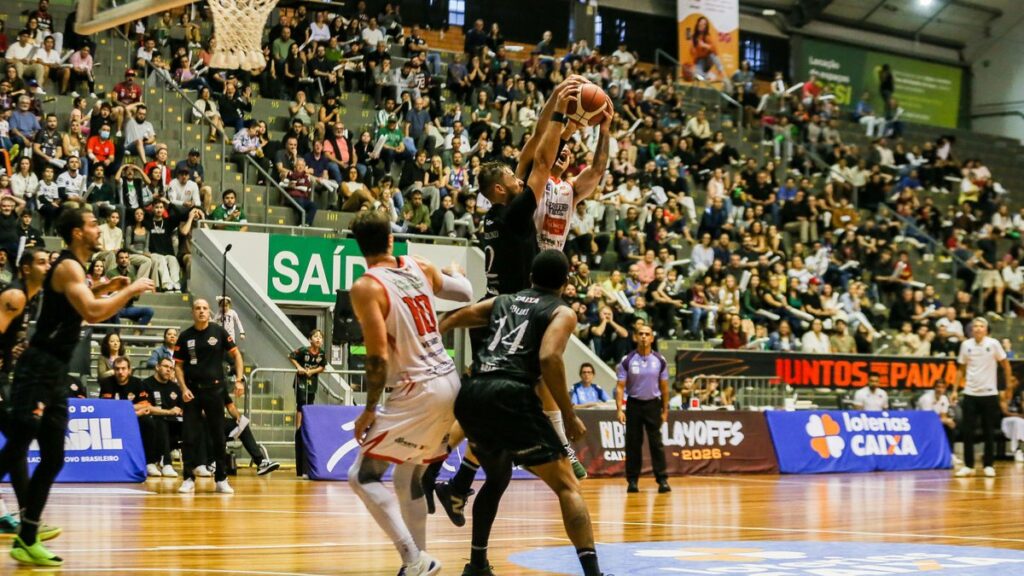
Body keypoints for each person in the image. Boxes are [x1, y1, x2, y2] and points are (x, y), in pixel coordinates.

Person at [437, 249, 606, 576]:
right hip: (511, 394)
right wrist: (569, 416)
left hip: (473, 390)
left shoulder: (504, 301)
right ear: (566, 282)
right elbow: (548, 358)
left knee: (498, 477)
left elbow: (455, 318)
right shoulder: (561, 310)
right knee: (568, 485)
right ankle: (594, 573)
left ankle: (476, 560)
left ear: (531, 277)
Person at [0, 208, 153, 566]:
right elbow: (94, 313)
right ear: (75, 232)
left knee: (53, 457)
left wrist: (106, 286)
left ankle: (26, 537)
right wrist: (128, 288)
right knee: (20, 440)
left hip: (54, 372)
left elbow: (81, 304)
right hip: (37, 367)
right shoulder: (68, 265)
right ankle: (23, 530)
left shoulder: (76, 271)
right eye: (90, 224)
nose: (97, 228)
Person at [347, 210, 472, 576]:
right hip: (449, 379)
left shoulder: (367, 286)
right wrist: (456, 274)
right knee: (409, 477)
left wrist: (370, 408)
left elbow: (376, 357)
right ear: (391, 238)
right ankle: (420, 561)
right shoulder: (419, 264)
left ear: (359, 247)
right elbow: (464, 292)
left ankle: (413, 559)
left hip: (417, 389)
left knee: (363, 476)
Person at [0, 249, 60, 541]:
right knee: (17, 443)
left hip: (4, 379)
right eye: (40, 262)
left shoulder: (33, 298)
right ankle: (27, 519)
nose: (48, 266)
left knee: (16, 444)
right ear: (24, 269)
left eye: (49, 261)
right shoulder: (15, 296)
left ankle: (26, 518)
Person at [174, 298, 245, 494]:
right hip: (192, 392)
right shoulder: (185, 336)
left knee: (218, 436)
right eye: (198, 308)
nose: (202, 311)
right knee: (189, 435)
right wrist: (182, 388)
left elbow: (237, 355)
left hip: (215, 390)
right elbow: (178, 366)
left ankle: (221, 478)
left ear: (209, 312)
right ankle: (188, 477)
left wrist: (239, 380)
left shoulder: (218, 332)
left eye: (205, 308)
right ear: (192, 312)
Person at [614, 324, 671, 494]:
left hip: (653, 404)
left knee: (656, 444)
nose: (644, 337)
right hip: (634, 404)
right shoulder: (627, 360)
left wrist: (665, 410)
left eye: (647, 334)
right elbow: (620, 387)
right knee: (633, 444)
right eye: (641, 334)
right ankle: (632, 481)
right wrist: (619, 409)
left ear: (652, 338)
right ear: (635, 337)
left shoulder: (660, 360)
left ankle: (662, 480)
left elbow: (665, 387)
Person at [954, 317, 1014, 478]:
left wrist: (1008, 386)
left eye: (981, 326)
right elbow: (961, 368)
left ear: (986, 329)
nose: (978, 329)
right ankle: (968, 465)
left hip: (989, 393)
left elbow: (1005, 364)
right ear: (971, 330)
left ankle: (988, 465)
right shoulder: (966, 345)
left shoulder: (993, 344)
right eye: (975, 326)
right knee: (968, 431)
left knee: (988, 431)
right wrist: (954, 389)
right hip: (970, 393)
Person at [289, 328, 327, 478]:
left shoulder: (322, 354)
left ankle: (307, 424)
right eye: (315, 337)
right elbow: (291, 356)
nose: (318, 339)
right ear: (310, 339)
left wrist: (314, 371)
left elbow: (323, 366)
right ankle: (299, 426)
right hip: (301, 381)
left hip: (312, 383)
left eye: (320, 337)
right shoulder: (303, 351)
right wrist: (299, 367)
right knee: (301, 403)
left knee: (309, 404)